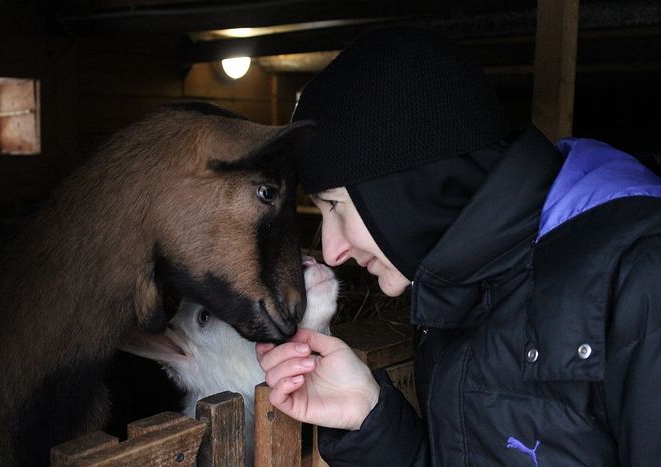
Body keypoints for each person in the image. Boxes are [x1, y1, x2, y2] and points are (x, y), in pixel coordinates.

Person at [256, 25, 661, 466]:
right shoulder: (461, 290)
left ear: (405, 188)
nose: (332, 252)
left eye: (335, 206)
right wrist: (370, 418)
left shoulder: (641, 274)